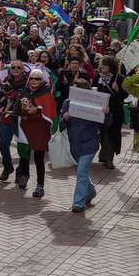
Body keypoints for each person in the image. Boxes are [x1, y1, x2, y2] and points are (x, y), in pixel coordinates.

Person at [61, 78, 108, 212]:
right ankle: (91, 192)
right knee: (80, 173)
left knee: (81, 172)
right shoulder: (67, 103)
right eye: (73, 89)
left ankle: (78, 203)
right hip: (73, 144)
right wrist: (65, 118)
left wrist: (106, 112)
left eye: (78, 90)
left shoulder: (95, 104)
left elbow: (107, 122)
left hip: (89, 143)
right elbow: (60, 123)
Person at [16, 68, 58, 197]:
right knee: (24, 154)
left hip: (41, 130)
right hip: (26, 129)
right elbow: (18, 110)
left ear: (42, 81)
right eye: (32, 78)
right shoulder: (24, 91)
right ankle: (25, 175)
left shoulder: (46, 94)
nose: (34, 81)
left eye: (37, 79)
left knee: (39, 158)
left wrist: (30, 115)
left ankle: (40, 185)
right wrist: (26, 113)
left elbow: (47, 115)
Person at [0, 60, 30, 182]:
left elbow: (24, 99)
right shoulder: (5, 81)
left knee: (22, 147)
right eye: (13, 67)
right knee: (3, 144)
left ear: (23, 69)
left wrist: (11, 95)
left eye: (18, 67)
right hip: (7, 117)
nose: (15, 69)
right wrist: (7, 98)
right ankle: (8, 167)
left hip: (21, 118)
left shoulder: (28, 83)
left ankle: (20, 172)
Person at [92, 57, 126, 169]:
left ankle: (109, 158)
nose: (103, 67)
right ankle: (104, 153)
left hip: (114, 111)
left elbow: (125, 96)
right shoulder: (97, 77)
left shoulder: (119, 78)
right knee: (102, 133)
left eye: (106, 65)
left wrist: (117, 90)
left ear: (111, 67)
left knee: (111, 133)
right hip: (100, 110)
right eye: (102, 65)